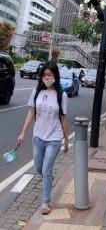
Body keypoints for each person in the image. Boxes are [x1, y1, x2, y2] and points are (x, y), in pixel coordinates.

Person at [17, 61, 69, 215]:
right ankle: (49, 179)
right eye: (44, 75)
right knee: (39, 168)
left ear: (55, 76)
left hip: (54, 137)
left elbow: (63, 118)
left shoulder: (62, 95)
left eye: (49, 75)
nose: (47, 78)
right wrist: (23, 133)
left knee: (46, 170)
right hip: (38, 136)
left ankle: (45, 202)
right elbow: (31, 112)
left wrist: (66, 140)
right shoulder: (36, 92)